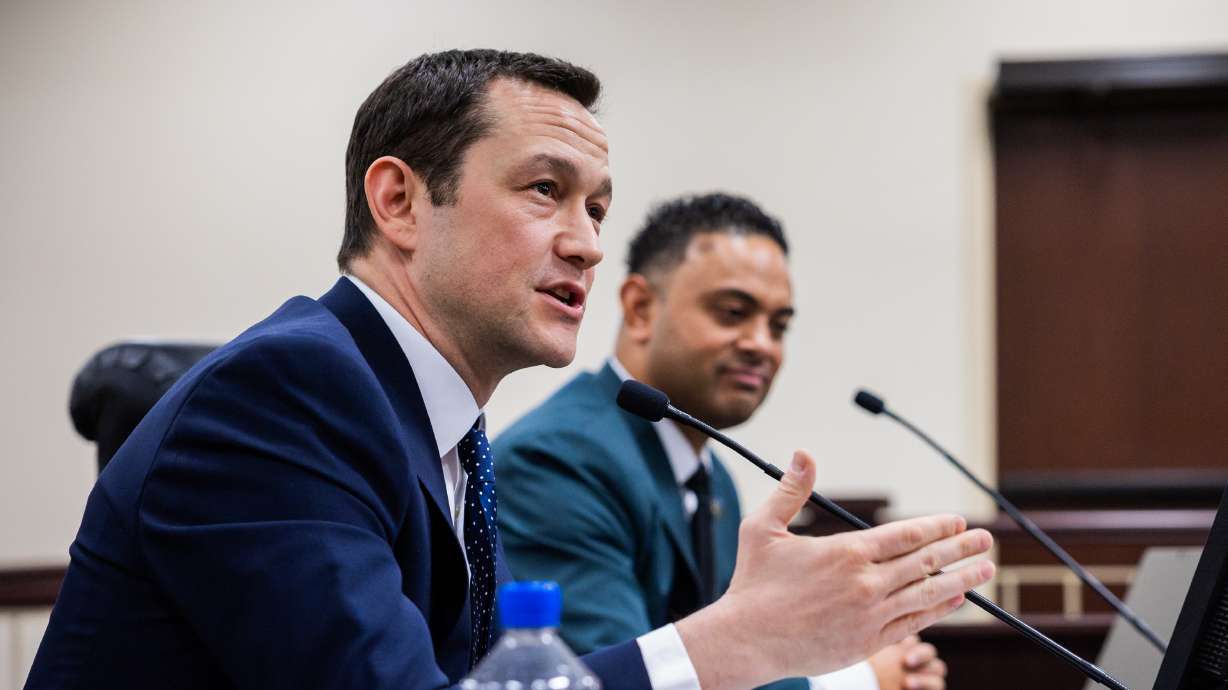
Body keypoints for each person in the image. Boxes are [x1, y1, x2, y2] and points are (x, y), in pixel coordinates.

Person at [27, 51, 993, 690]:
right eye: (545, 191)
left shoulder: (442, 424)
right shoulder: (284, 398)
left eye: (599, 210)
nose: (586, 245)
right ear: (400, 203)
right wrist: (740, 641)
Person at [494, 193, 951, 690]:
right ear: (641, 308)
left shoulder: (716, 482)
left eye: (778, 325)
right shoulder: (560, 462)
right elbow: (613, 676)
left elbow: (733, 659)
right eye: (734, 313)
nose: (762, 344)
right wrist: (856, 681)